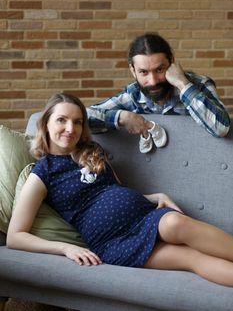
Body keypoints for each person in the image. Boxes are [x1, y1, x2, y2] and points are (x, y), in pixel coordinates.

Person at [7, 92, 233, 287]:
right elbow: (15, 237)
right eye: (61, 120)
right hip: (113, 241)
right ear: (45, 124)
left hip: (143, 216)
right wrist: (66, 248)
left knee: (176, 222)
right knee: (191, 258)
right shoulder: (43, 171)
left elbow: (115, 191)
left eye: (77, 122)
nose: (70, 128)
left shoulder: (92, 150)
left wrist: (156, 196)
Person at [87, 33, 230, 138]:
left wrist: (183, 84)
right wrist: (121, 117)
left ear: (172, 62)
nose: (153, 81)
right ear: (133, 70)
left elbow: (221, 128)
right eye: (143, 72)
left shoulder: (200, 85)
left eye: (159, 70)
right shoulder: (133, 95)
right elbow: (81, 118)